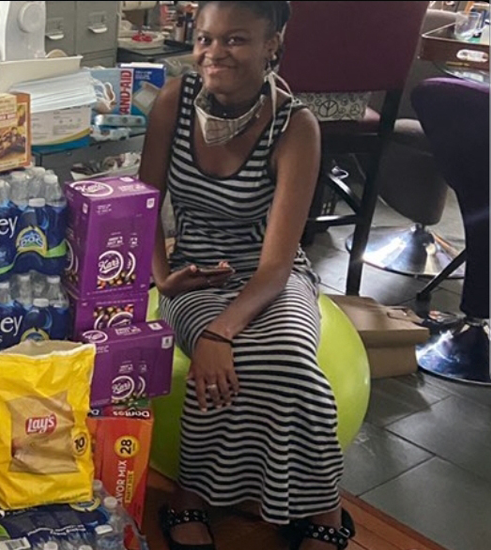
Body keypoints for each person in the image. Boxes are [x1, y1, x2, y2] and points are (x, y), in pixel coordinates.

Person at [138, 3, 354, 550]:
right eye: (205, 39)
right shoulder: (173, 102)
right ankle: (194, 496)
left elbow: (277, 264)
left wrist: (220, 333)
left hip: (269, 277)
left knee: (283, 360)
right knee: (220, 373)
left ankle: (323, 506)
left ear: (272, 45)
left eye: (234, 40)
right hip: (197, 275)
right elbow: (141, 209)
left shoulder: (296, 125)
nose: (213, 54)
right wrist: (162, 281)